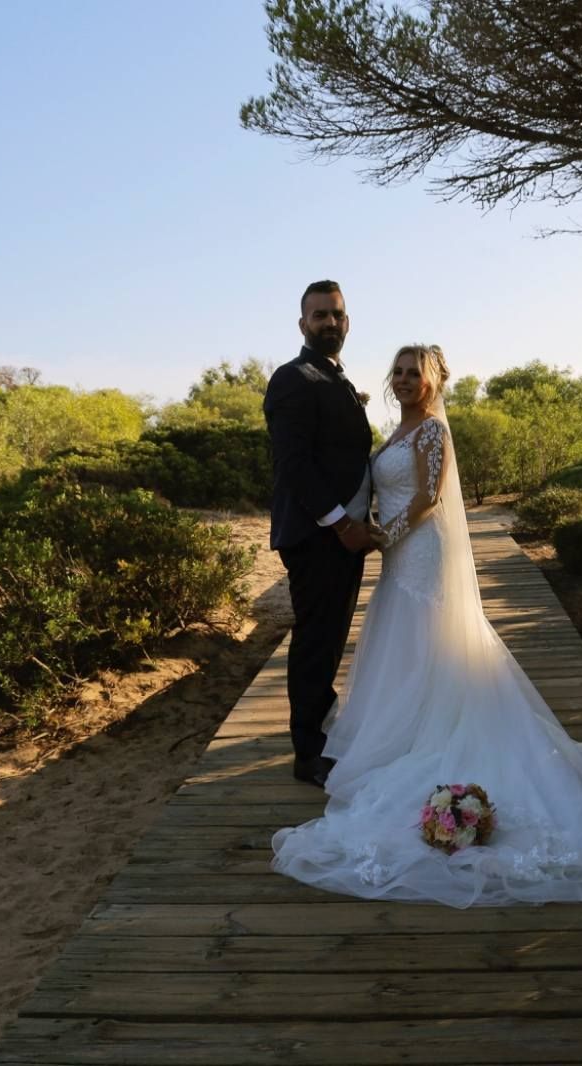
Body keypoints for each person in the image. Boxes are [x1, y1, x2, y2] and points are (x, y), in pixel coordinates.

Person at [271, 344, 582, 907]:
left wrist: (382, 535)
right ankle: (411, 727)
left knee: (431, 638)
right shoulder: (397, 432)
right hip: (400, 553)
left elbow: (426, 498)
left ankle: (438, 730)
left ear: (433, 381)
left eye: (413, 374)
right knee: (404, 644)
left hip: (421, 549)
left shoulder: (432, 433)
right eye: (397, 372)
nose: (402, 380)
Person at [263, 280, 378, 789]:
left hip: (340, 535)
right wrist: (341, 525)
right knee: (315, 642)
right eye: (319, 316)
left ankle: (322, 735)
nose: (329, 323)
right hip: (317, 537)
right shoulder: (293, 378)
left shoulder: (333, 378)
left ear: (347, 322)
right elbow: (295, 466)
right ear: (302, 324)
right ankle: (308, 753)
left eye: (336, 315)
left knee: (329, 640)